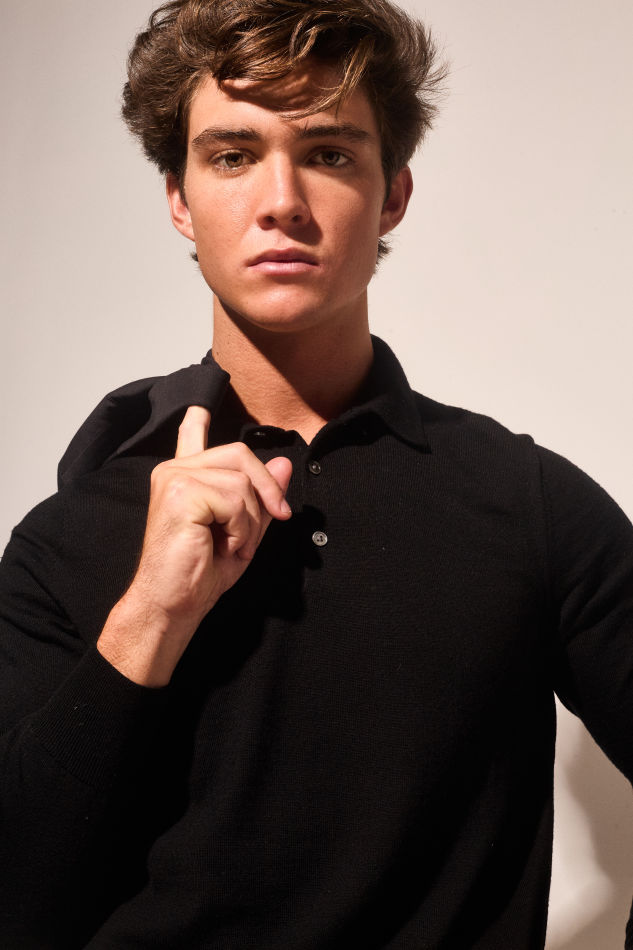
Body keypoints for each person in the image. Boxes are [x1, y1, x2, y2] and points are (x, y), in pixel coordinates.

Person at [1, 0, 632, 947]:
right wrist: (151, 616)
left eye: (329, 152)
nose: (281, 200)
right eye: (232, 155)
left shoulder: (530, 504)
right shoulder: (68, 536)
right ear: (179, 199)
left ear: (392, 195)